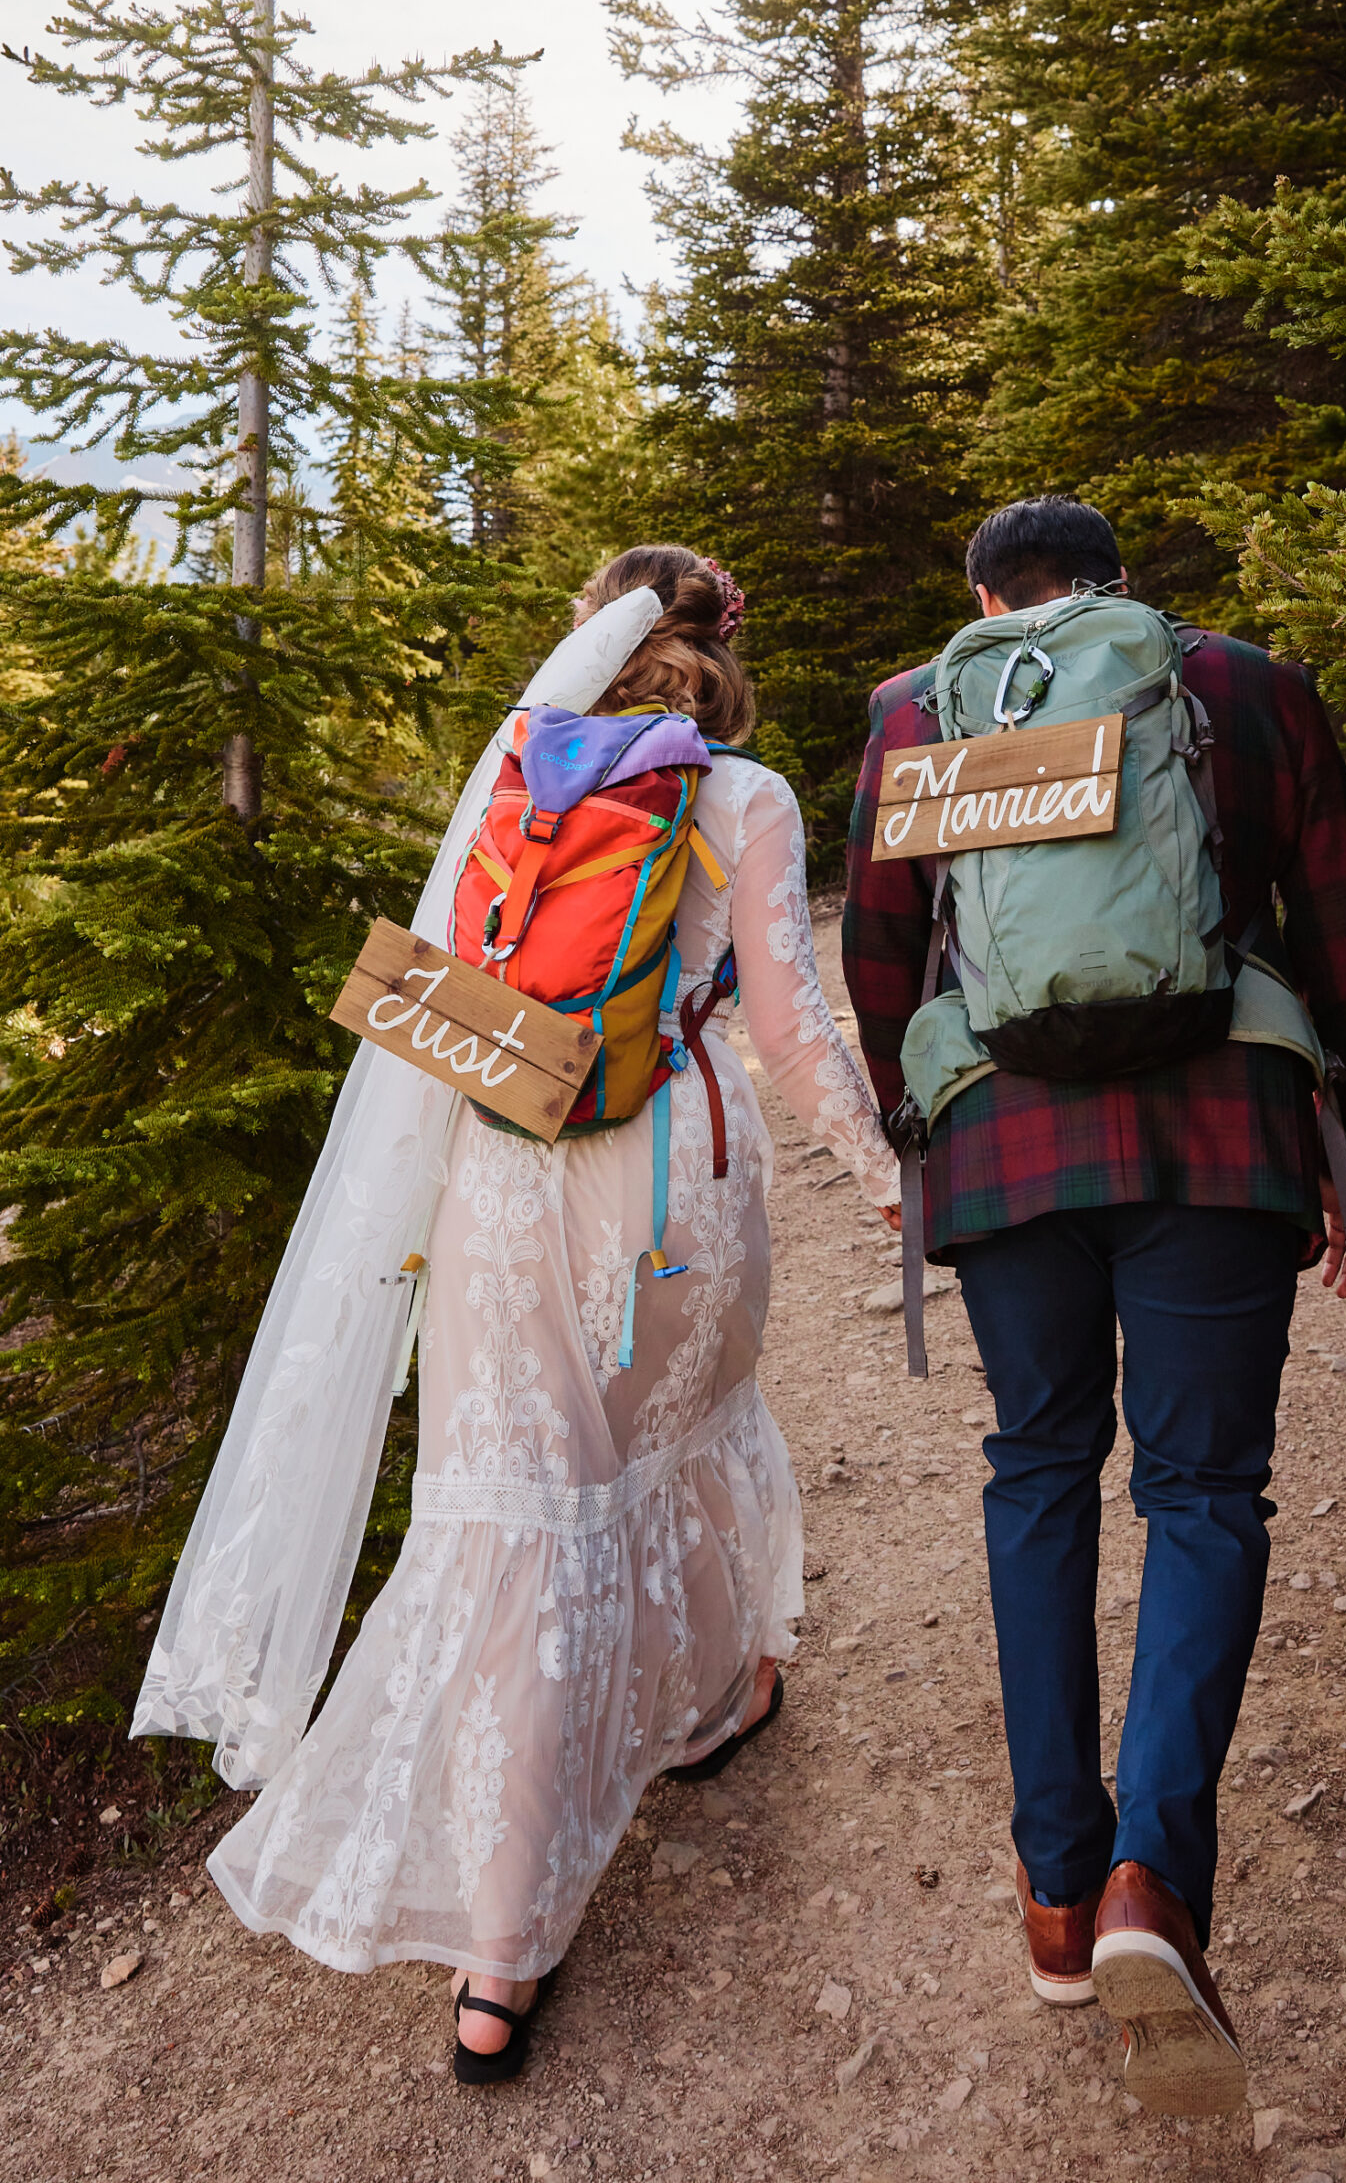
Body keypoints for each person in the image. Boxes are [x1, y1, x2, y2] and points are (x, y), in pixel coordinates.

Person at [170, 546, 899, 2079]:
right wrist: (888, 1168)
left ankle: (500, 1961)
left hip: (502, 1179)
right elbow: (785, 1024)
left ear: (595, 636)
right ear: (723, 640)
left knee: (519, 1511)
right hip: (672, 1181)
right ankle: (710, 1705)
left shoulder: (519, 773)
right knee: (686, 1433)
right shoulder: (745, 798)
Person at [842, 498, 1346, 2117]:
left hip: (1007, 1142)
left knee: (1038, 1470)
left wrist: (920, 1131)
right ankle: (1162, 1872)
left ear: (983, 599)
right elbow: (1345, 925)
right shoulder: (1242, 686)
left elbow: (888, 958)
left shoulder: (911, 708)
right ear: (1120, 585)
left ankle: (1056, 1897)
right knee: (1205, 1490)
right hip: (1221, 1128)